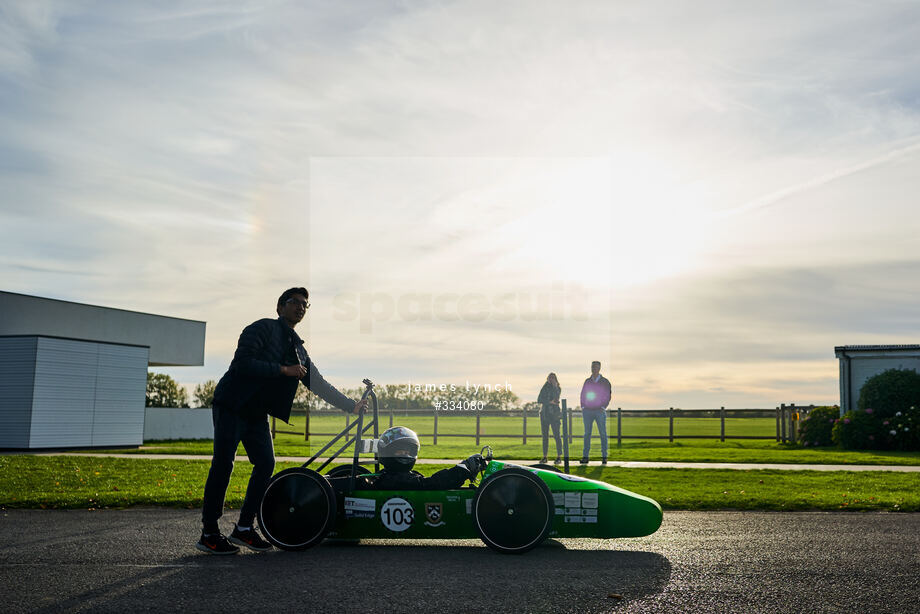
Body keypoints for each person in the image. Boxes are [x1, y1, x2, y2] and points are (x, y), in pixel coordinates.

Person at [197, 287, 368, 555]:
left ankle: (243, 528)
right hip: (231, 404)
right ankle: (209, 532)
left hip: (255, 413)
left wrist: (352, 406)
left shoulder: (299, 350)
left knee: (266, 463)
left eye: (305, 304)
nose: (300, 307)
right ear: (280, 307)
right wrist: (282, 370)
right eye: (295, 302)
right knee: (223, 464)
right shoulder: (260, 329)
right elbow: (243, 364)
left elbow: (318, 384)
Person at [356, 426, 486, 490]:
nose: (406, 455)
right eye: (400, 451)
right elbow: (431, 484)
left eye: (408, 451)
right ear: (387, 452)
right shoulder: (393, 478)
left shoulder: (401, 475)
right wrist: (462, 470)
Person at [579, 360, 612, 464]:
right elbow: (583, 394)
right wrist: (583, 406)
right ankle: (585, 457)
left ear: (599, 368)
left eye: (596, 367)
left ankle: (604, 457)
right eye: (592, 367)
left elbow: (608, 395)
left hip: (599, 411)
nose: (594, 369)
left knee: (603, 433)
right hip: (587, 411)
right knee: (587, 434)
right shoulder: (587, 381)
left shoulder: (605, 381)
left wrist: (603, 406)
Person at [537, 373, 563, 464]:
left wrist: (555, 387)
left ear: (555, 379)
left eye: (553, 378)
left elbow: (556, 399)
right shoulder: (544, 388)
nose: (551, 380)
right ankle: (545, 457)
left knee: (557, 435)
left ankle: (559, 456)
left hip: (555, 414)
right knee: (545, 436)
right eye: (549, 378)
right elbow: (539, 399)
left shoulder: (558, 388)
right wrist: (549, 402)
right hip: (544, 414)